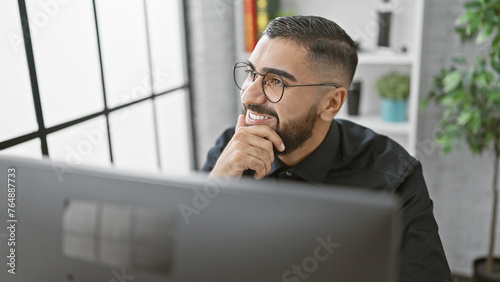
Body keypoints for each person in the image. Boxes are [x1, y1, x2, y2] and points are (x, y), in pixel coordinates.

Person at [202, 15, 452, 281]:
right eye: (252, 73)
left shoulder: (393, 176)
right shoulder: (231, 151)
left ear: (331, 103)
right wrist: (217, 182)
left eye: (276, 81)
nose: (248, 96)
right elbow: (187, 259)